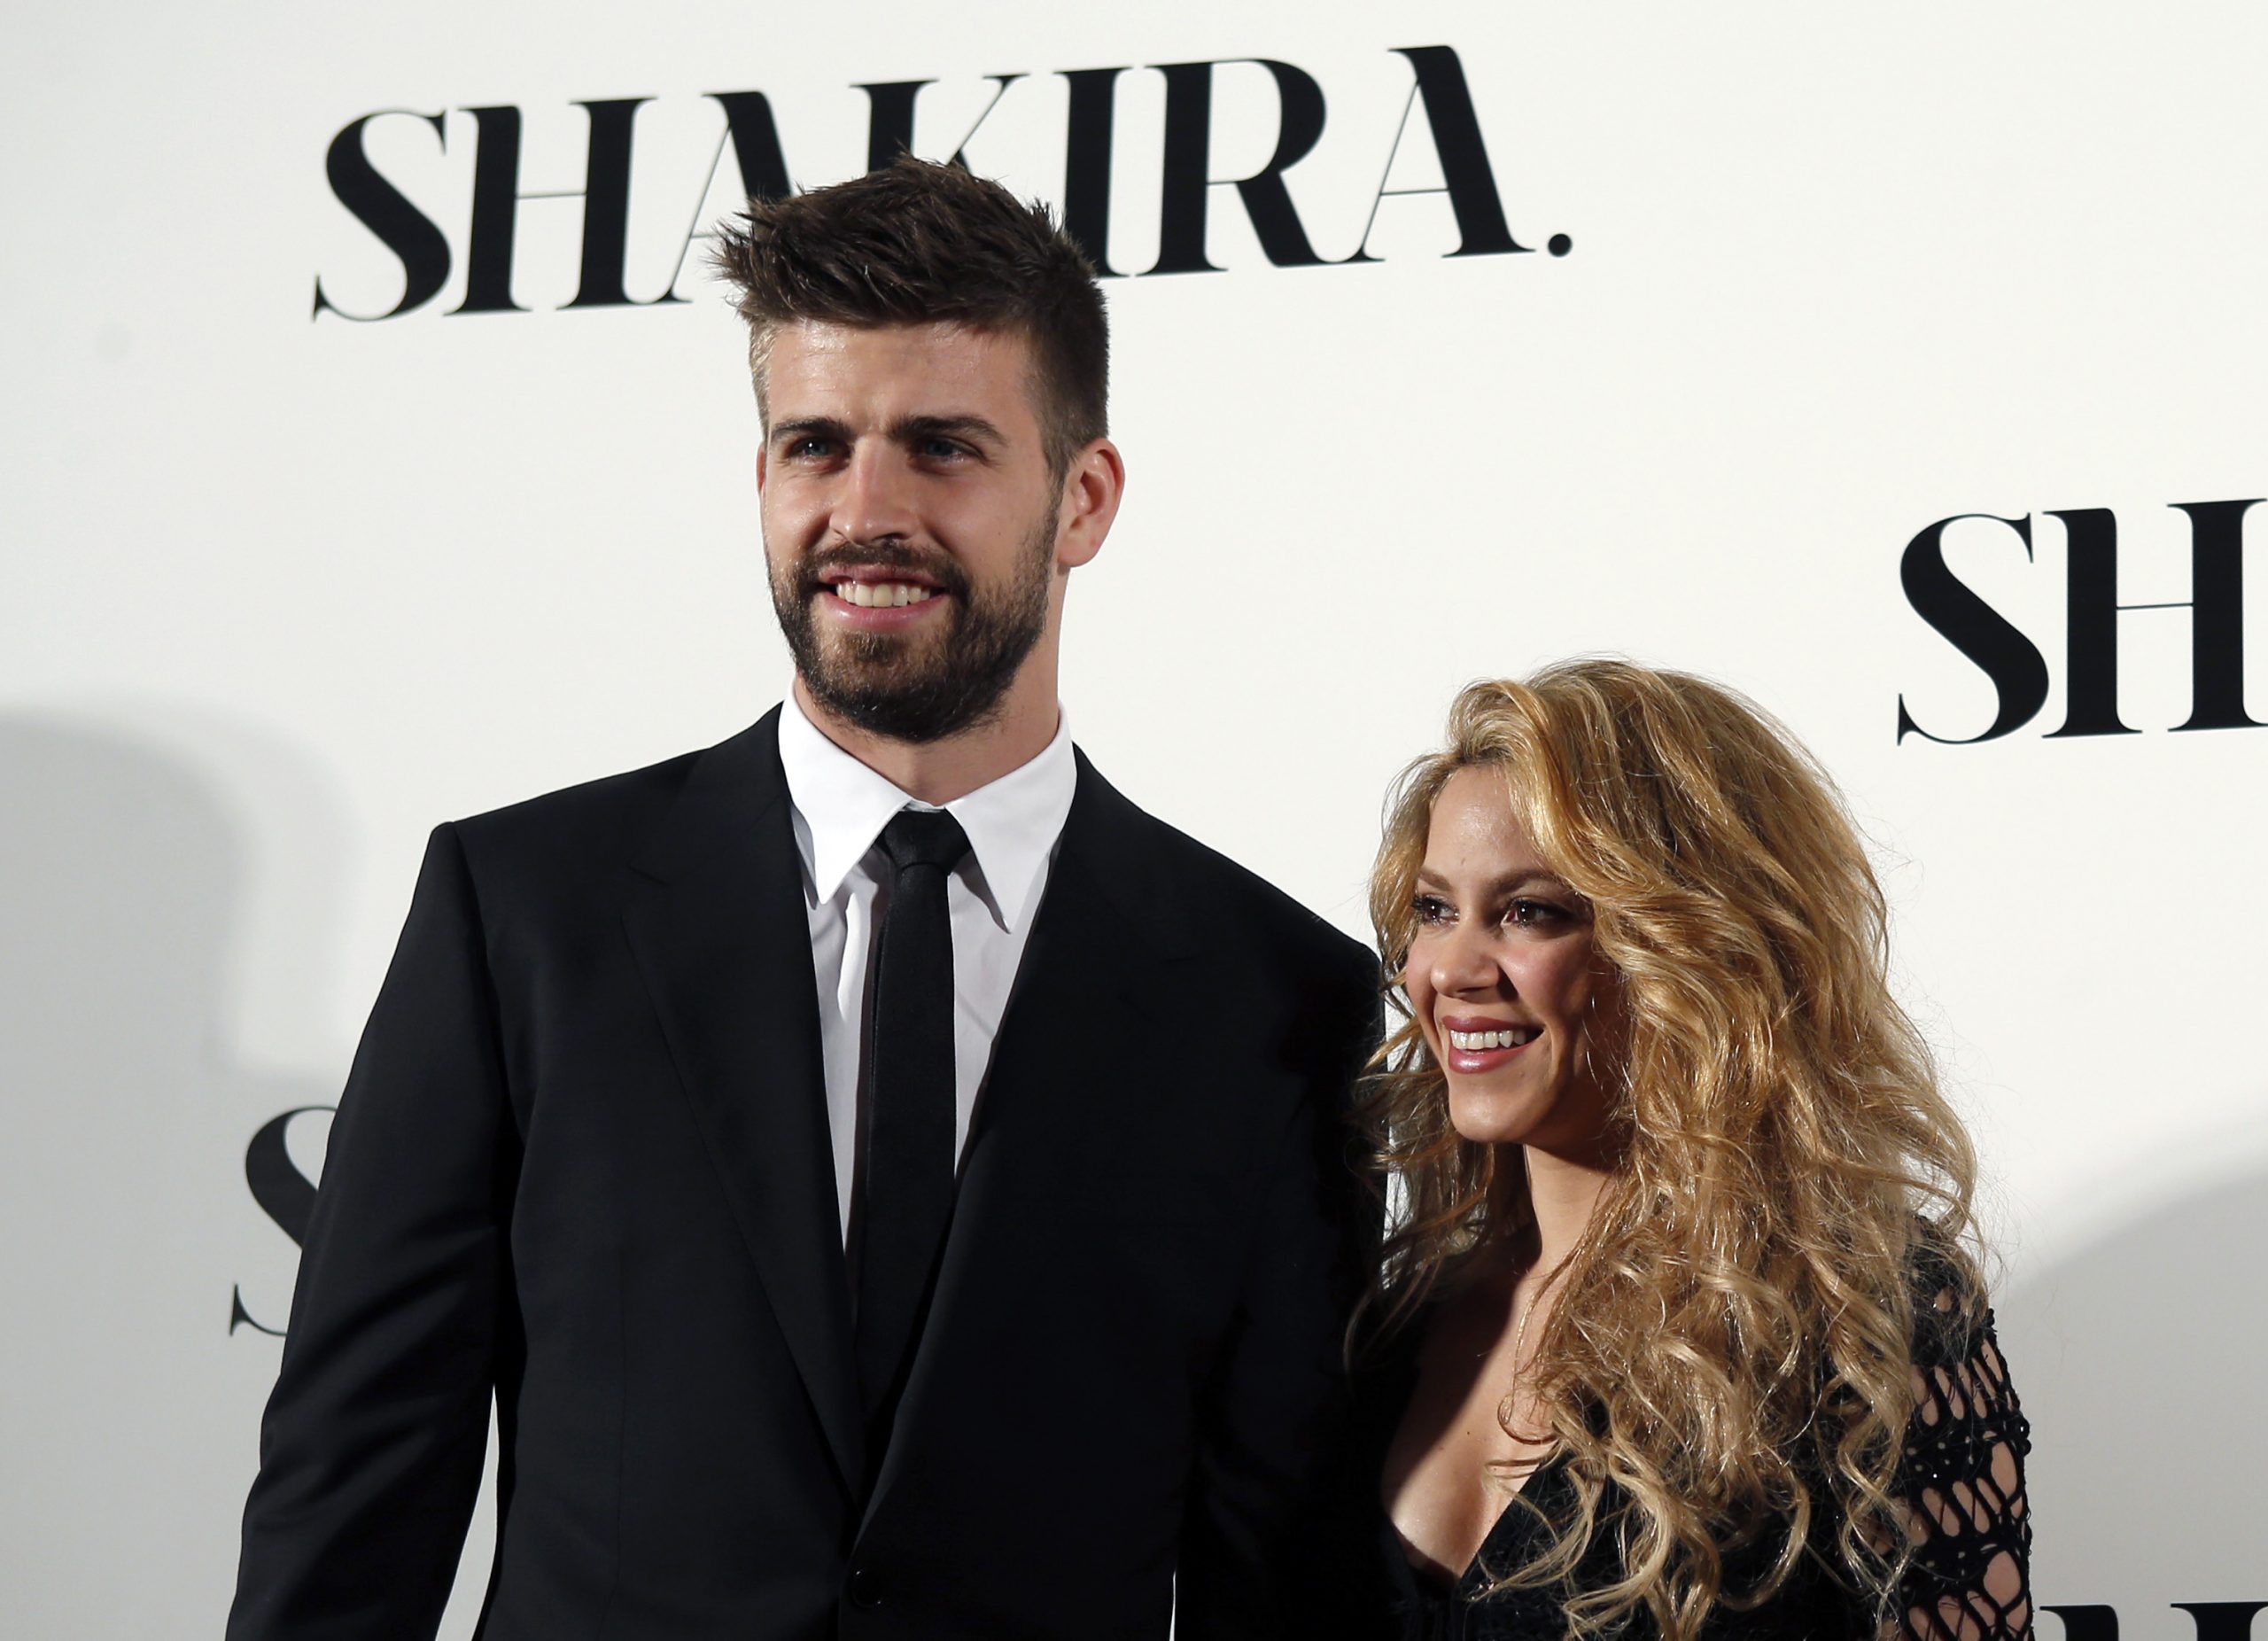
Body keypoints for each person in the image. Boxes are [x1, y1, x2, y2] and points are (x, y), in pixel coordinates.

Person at [226, 158, 1378, 1640]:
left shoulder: (1271, 989)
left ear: (1083, 498)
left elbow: (1275, 1566)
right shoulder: (525, 914)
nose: (866, 507)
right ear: (760, 478)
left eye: (944, 446)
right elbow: (356, 1484)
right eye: (815, 445)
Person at [1345, 661, 2032, 1640]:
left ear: (1690, 944)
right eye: (1433, 909)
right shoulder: (1396, 1319)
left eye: (1529, 909)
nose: (1450, 968)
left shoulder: (1858, 1319)